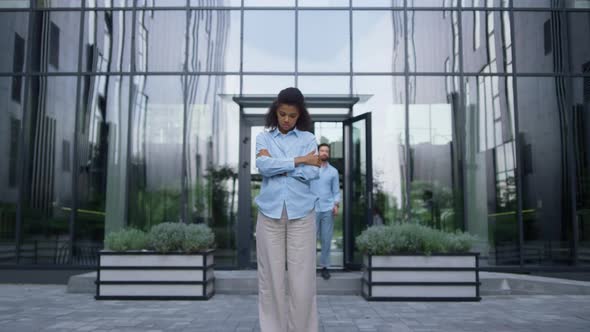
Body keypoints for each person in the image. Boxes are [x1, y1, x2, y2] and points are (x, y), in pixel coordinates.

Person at [255, 87, 321, 332]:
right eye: (282, 114)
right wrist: (300, 160)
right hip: (269, 214)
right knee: (270, 278)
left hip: (302, 214)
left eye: (291, 115)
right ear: (276, 111)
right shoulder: (264, 137)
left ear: (299, 115)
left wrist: (278, 165)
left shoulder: (308, 139)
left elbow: (314, 173)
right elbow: (263, 166)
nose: (286, 119)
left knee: (302, 281)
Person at [310, 143, 340, 280]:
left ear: (328, 154)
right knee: (309, 239)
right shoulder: (310, 169)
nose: (324, 153)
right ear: (318, 152)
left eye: (326, 151)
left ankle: (325, 267)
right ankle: (308, 268)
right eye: (321, 151)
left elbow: (336, 191)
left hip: (328, 208)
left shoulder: (333, 172)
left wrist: (336, 204)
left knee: (326, 239)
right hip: (311, 209)